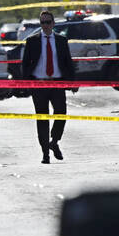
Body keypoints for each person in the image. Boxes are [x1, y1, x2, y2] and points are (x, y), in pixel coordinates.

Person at [19, 10, 75, 164]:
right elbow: (25, 65)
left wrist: (73, 82)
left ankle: (54, 141)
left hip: (57, 83)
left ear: (53, 23)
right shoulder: (32, 41)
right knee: (42, 118)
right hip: (39, 84)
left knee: (61, 114)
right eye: (42, 22)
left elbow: (68, 63)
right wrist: (25, 84)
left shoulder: (61, 40)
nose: (45, 25)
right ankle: (45, 153)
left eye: (48, 22)